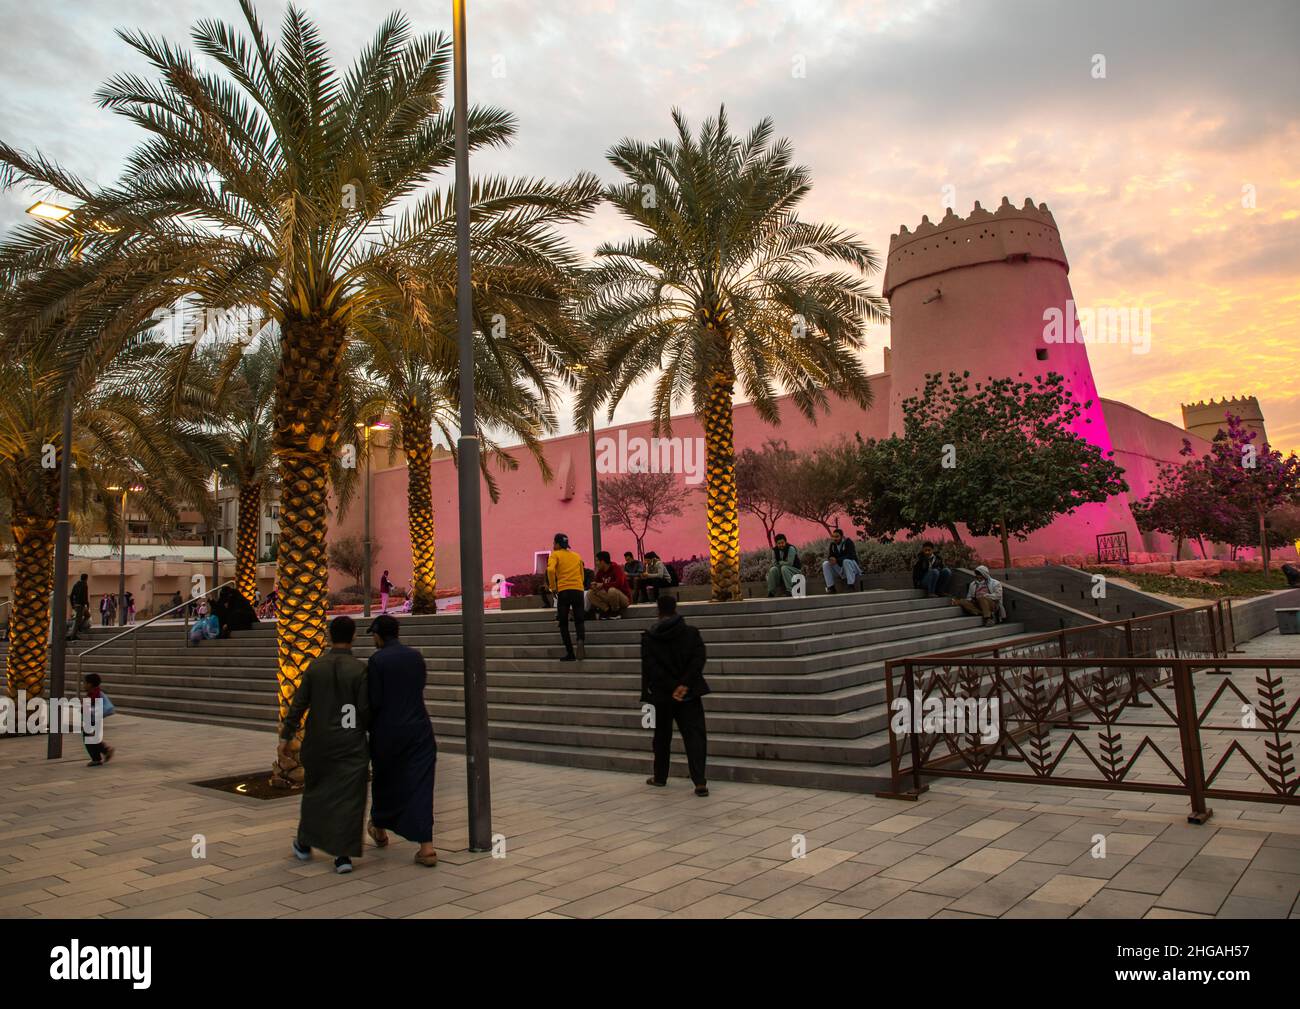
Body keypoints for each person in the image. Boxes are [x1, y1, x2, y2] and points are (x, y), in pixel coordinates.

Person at [279, 615, 371, 875]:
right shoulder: (359, 670)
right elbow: (362, 710)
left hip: (318, 741)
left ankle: (304, 842)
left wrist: (286, 735)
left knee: (315, 793)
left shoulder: (315, 668)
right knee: (350, 798)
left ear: (329, 635)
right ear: (353, 636)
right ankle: (343, 855)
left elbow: (299, 704)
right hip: (349, 742)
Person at [365, 615, 438, 867]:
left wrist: (356, 724)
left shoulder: (377, 660)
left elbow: (373, 700)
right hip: (419, 729)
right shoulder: (415, 657)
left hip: (388, 731)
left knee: (385, 781)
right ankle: (426, 847)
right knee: (421, 785)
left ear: (378, 635)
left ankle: (379, 828)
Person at [640, 595, 710, 796]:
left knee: (661, 737)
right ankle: (699, 782)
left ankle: (660, 777)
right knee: (695, 736)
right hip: (689, 694)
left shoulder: (650, 638)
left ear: (658, 611)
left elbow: (651, 668)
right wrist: (684, 685)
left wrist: (671, 687)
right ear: (675, 608)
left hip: (662, 696)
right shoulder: (691, 633)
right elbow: (699, 660)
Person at [546, 533, 586, 661]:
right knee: (579, 620)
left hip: (564, 591)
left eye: (554, 543)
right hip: (578, 590)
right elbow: (582, 574)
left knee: (563, 623)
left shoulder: (555, 555)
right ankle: (580, 640)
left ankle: (570, 653)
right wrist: (579, 585)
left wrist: (553, 587)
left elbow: (551, 570)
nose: (553, 546)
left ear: (557, 544)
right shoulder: (576, 556)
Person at [82, 673, 116, 768]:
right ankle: (103, 752)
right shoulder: (94, 692)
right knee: (91, 737)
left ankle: (98, 757)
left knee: (89, 738)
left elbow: (92, 706)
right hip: (93, 718)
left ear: (90, 684)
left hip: (93, 718)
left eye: (84, 683)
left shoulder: (95, 694)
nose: (83, 685)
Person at [590, 551, 631, 619]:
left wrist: (603, 585)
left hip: (623, 598)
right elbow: (597, 584)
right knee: (590, 593)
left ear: (602, 562)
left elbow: (619, 584)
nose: (596, 563)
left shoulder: (616, 568)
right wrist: (594, 586)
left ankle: (616, 612)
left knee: (612, 590)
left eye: (597, 561)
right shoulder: (600, 572)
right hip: (610, 598)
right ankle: (607, 610)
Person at [823, 528, 861, 593]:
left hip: (852, 568)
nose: (835, 539)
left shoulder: (848, 542)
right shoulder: (833, 545)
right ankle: (831, 587)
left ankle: (851, 586)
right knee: (825, 564)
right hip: (841, 570)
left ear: (842, 536)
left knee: (846, 561)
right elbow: (831, 555)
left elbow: (851, 556)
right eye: (833, 537)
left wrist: (837, 560)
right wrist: (831, 559)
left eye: (837, 537)